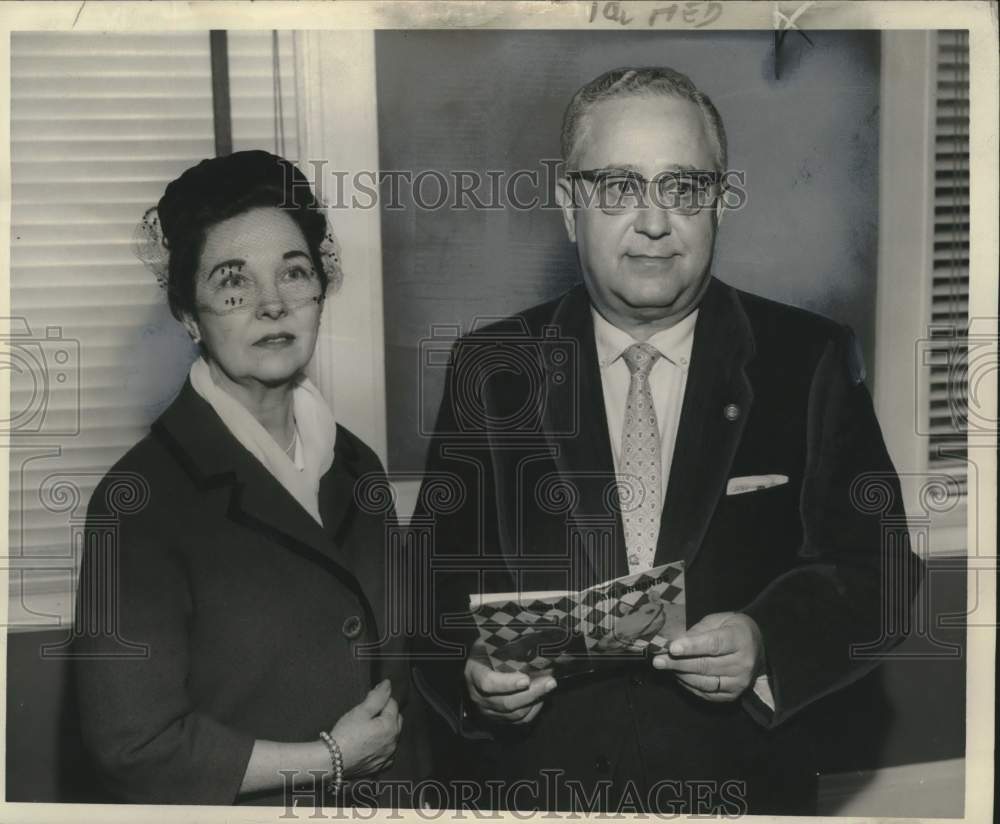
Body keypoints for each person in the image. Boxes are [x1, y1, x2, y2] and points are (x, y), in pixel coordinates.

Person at [413, 67, 924, 814]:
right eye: (618, 186)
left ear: (718, 202)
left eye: (683, 187)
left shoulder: (807, 358)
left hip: (740, 788)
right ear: (568, 207)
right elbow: (430, 591)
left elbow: (879, 568)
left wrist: (767, 639)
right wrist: (473, 677)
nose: (654, 221)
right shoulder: (493, 369)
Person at [73, 151, 422, 805]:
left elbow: (402, 689)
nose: (271, 305)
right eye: (233, 284)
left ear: (322, 287)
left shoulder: (358, 467)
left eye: (294, 273)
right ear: (186, 313)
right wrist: (329, 758)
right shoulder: (138, 501)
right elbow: (132, 749)